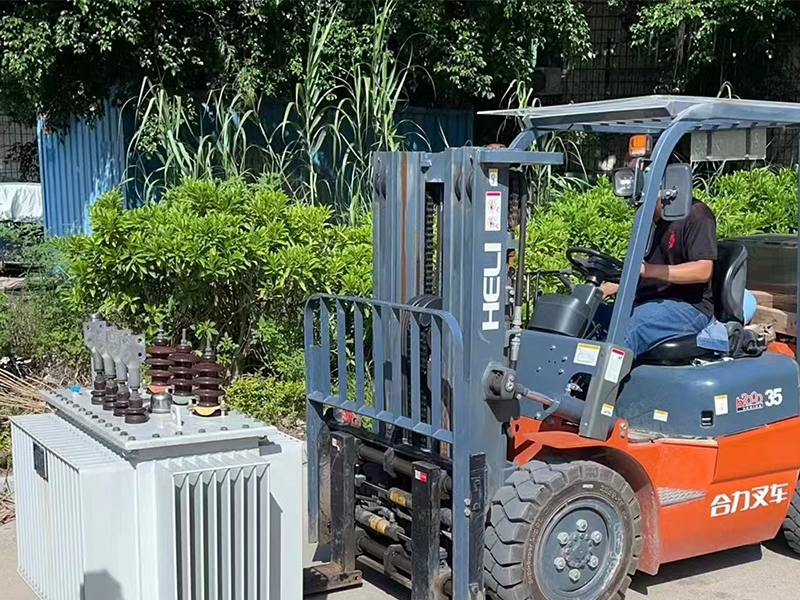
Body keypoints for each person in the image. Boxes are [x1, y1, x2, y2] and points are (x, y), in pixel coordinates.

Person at [599, 196, 717, 357]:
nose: (636, 202)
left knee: (627, 327)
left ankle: (601, 372)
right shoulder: (651, 224)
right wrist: (617, 284)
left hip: (689, 306)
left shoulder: (697, 215)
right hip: (648, 301)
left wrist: (647, 270)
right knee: (592, 315)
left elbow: (702, 270)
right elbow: (644, 270)